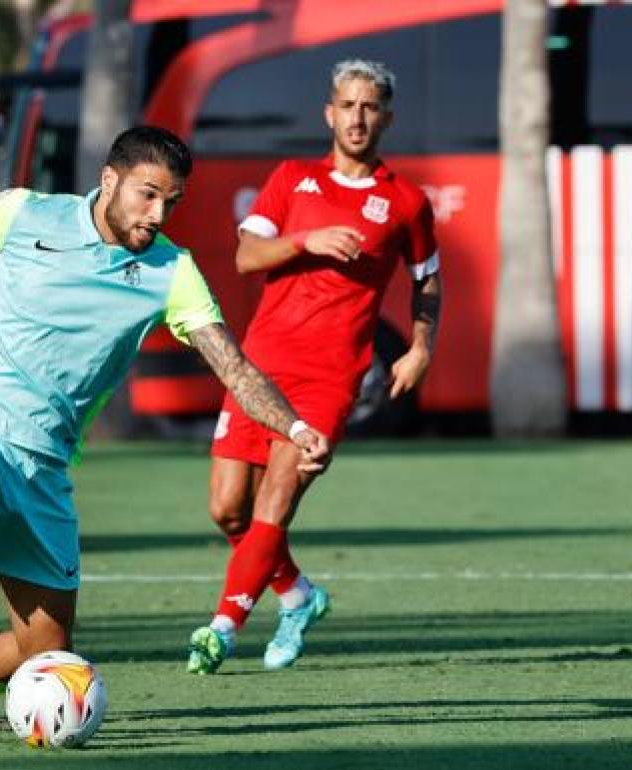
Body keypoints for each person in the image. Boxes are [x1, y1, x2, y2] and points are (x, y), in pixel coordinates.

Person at [0, 125, 332, 752]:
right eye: (148, 195)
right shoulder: (25, 211)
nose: (157, 214)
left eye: (171, 202)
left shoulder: (171, 271)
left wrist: (297, 426)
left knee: (46, 646)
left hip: (44, 468)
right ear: (110, 180)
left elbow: (234, 368)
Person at [186, 59, 442, 675]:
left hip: (330, 378)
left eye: (370, 106)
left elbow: (427, 279)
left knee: (279, 491)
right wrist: (308, 240)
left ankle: (222, 626)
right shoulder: (292, 179)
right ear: (329, 112)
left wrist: (421, 345)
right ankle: (298, 597)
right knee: (228, 510)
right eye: (347, 105)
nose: (357, 117)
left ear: (386, 117)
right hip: (259, 368)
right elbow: (247, 256)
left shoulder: (405, 201)